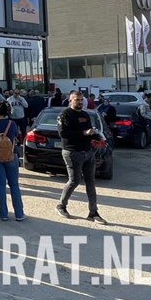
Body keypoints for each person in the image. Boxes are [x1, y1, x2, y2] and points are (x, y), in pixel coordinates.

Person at [55, 93, 108, 224]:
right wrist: (83, 133)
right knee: (74, 181)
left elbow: (88, 133)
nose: (79, 102)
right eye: (76, 100)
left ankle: (93, 212)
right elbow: (63, 134)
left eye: (81, 100)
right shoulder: (65, 115)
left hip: (88, 152)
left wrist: (96, 137)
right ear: (70, 101)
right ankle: (61, 205)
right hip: (72, 152)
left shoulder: (85, 115)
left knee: (91, 182)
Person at [0, 101, 25, 221]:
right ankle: (19, 214)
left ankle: (3, 214)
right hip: (11, 154)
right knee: (14, 185)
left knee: (0, 185)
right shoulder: (12, 124)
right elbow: (15, 136)